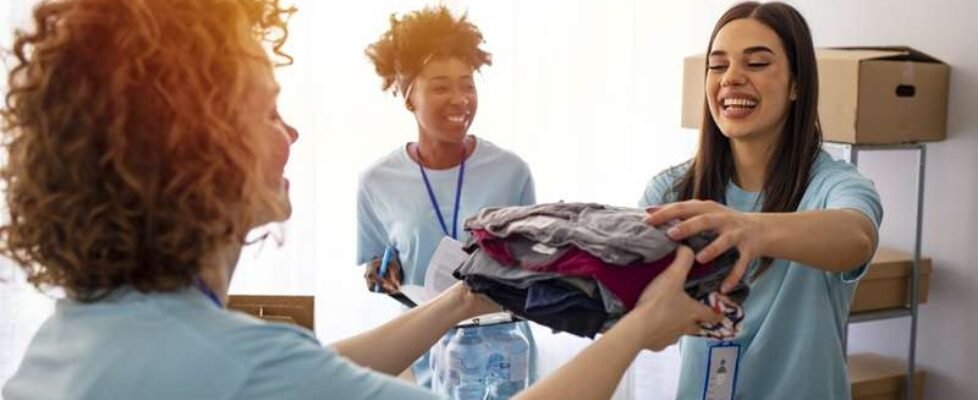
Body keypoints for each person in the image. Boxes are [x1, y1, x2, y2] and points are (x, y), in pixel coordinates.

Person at [0, 1, 720, 399]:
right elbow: (285, 374)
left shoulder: (77, 338)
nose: (292, 131)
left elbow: (318, 368)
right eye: (266, 109)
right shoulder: (241, 365)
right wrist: (640, 328)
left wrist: (465, 296)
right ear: (194, 144)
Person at [639, 2, 883, 399]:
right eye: (718, 66)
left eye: (756, 64)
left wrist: (749, 228)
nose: (731, 78)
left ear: (796, 84)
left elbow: (856, 236)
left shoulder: (832, 184)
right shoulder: (670, 193)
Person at [358, 5, 537, 388]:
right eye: (440, 86)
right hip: (423, 354)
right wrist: (380, 275)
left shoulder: (512, 171)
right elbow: (374, 269)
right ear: (409, 97)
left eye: (467, 84)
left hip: (503, 356)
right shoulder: (377, 181)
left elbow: (532, 266)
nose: (459, 99)